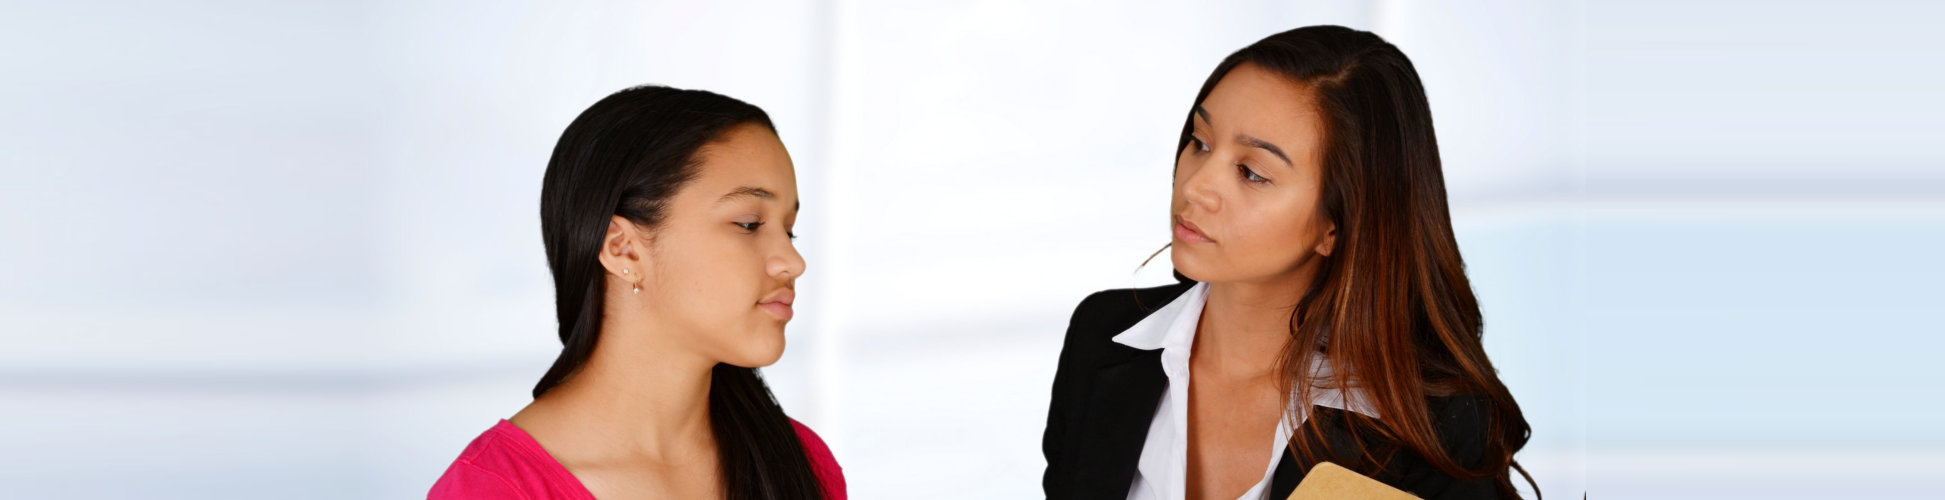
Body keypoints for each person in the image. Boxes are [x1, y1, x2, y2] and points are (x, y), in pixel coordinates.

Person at [1042, 26, 1536, 500]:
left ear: (1335, 225)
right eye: (1200, 142)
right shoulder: (1104, 338)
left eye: (1252, 173)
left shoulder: (1432, 427)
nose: (1194, 187)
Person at [430, 85, 843, 499]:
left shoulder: (801, 463)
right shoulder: (491, 489)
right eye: (749, 224)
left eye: (789, 230)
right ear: (622, 247)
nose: (792, 261)